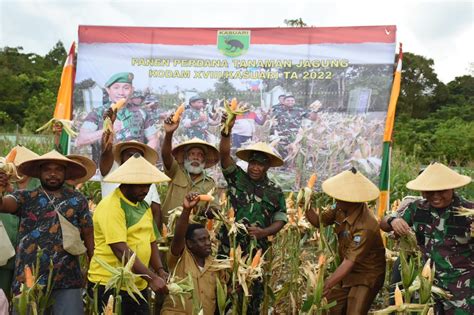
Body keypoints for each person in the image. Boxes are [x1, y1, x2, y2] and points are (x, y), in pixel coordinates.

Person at [0, 150, 94, 315]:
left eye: (58, 169)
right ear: (39, 173)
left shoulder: (78, 200)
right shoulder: (25, 197)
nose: (52, 174)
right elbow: (4, 205)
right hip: (28, 279)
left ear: (65, 173)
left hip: (67, 278)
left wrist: (92, 263)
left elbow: (88, 233)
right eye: (47, 169)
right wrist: (0, 188)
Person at [380, 162, 473, 314]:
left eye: (441, 191)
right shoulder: (416, 208)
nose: (435, 196)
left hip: (461, 290)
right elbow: (383, 224)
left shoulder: (468, 211)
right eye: (429, 191)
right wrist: (393, 220)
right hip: (427, 285)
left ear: (452, 188)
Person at [219, 113, 287, 313]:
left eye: (261, 164)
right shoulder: (237, 178)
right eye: (253, 163)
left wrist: (264, 233)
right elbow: (224, 156)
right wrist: (226, 131)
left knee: (251, 296)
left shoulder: (275, 190)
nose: (256, 168)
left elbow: (281, 218)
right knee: (225, 293)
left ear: (267, 166)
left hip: (256, 250)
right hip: (229, 247)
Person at [87, 154, 170, 314]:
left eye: (148, 185)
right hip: (110, 284)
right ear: (126, 182)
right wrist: (151, 278)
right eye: (140, 186)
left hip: (137, 283)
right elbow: (120, 249)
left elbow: (150, 241)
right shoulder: (112, 206)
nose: (145, 190)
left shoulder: (143, 205)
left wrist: (159, 269)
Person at [305, 167, 386, 315]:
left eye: (341, 196)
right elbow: (319, 221)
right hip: (346, 272)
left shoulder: (366, 226)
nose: (336, 198)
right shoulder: (340, 207)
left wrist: (326, 284)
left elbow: (350, 261)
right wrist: (305, 204)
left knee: (354, 311)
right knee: (331, 308)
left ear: (354, 200)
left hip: (366, 275)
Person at [161, 192, 223, 314]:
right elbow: (179, 236)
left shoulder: (216, 266)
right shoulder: (179, 258)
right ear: (189, 243)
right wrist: (187, 210)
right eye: (201, 240)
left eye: (208, 239)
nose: (207, 243)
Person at [161, 114, 220, 224]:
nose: (196, 157)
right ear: (185, 158)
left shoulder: (209, 184)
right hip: (168, 229)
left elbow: (214, 208)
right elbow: (165, 155)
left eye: (200, 155)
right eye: (192, 154)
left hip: (193, 234)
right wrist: (169, 134)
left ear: (204, 160)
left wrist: (205, 210)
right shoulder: (175, 171)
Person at [77, 72, 158, 151]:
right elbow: (81, 140)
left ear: (132, 90)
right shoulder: (97, 113)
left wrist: (143, 157)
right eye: (116, 88)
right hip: (105, 163)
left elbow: (153, 139)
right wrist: (107, 130)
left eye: (126, 88)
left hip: (133, 163)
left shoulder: (142, 113)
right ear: (108, 90)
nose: (121, 93)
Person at [0, 145, 40, 301]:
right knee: (2, 296)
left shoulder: (39, 185)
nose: (19, 169)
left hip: (30, 253)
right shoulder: (3, 181)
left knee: (25, 299)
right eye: (16, 166)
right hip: (4, 252)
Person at [100, 132, 163, 231]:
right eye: (130, 155)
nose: (134, 159)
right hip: (113, 234)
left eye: (138, 156)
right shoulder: (110, 172)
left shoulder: (147, 179)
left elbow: (156, 211)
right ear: (121, 158)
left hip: (141, 239)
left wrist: (155, 240)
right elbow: (106, 154)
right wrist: (107, 145)